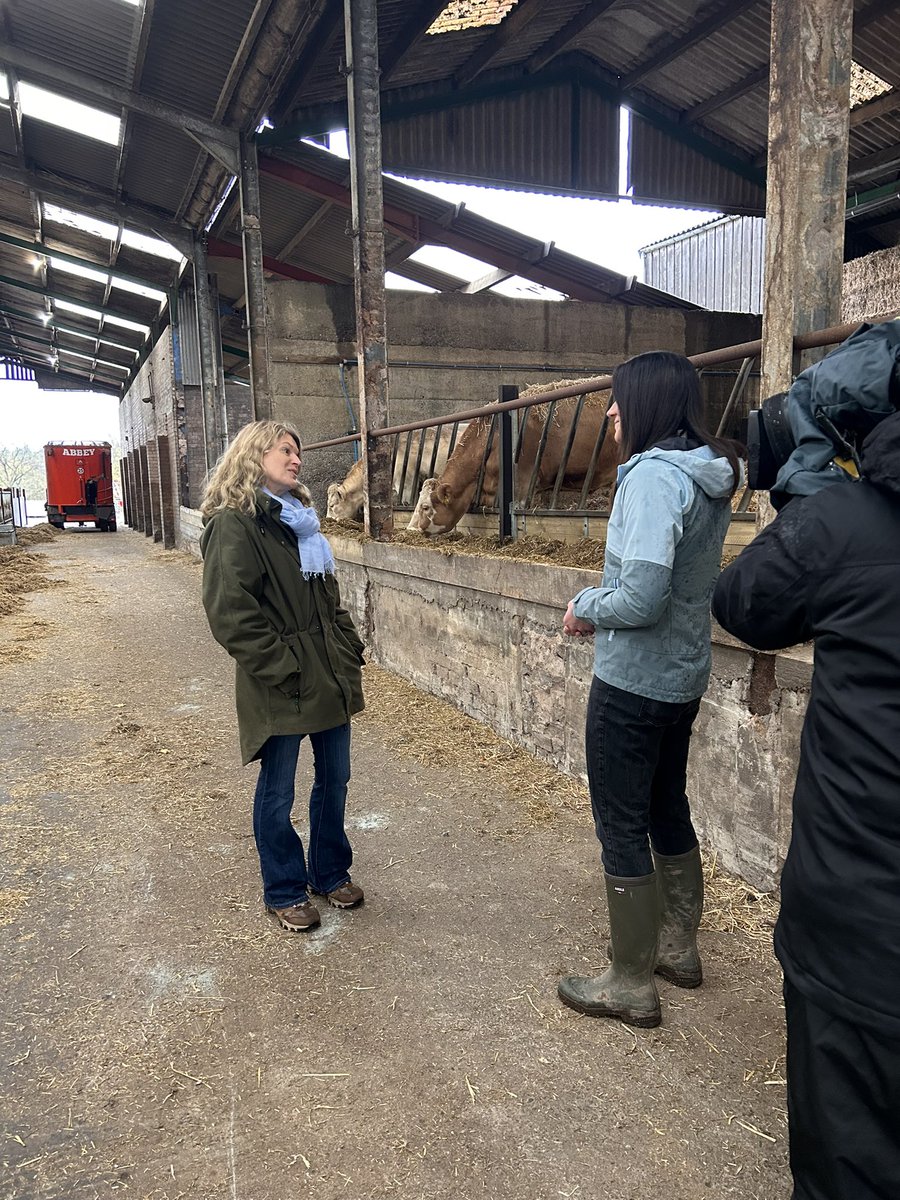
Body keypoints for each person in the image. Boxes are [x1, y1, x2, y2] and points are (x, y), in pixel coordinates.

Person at [712, 409, 900, 1200]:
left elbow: (744, 601)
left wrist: (810, 484)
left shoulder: (848, 521)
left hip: (864, 929)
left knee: (848, 1159)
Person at [557, 350, 742, 1027]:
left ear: (649, 404)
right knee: (666, 804)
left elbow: (640, 596)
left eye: (620, 397)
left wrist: (585, 604)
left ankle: (630, 982)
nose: (611, 411)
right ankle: (677, 946)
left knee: (621, 822)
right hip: (681, 676)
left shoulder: (653, 479)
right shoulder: (707, 474)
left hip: (633, 682)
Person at [199, 420, 366, 934]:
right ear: (254, 455)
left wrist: (349, 648)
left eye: (298, 452)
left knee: (335, 779)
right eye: (286, 450)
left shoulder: (301, 522)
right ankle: (285, 889)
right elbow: (231, 614)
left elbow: (328, 600)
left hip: (327, 673)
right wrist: (284, 668)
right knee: (278, 791)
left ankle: (329, 872)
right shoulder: (234, 524)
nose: (297, 460)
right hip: (283, 680)